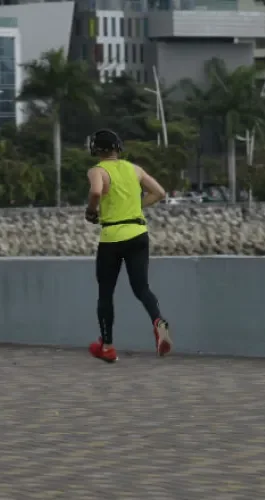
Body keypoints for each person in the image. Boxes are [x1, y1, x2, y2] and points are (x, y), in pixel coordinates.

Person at [84, 129, 172, 363]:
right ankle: (158, 321)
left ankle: (108, 346)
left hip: (112, 237)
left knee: (106, 293)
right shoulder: (135, 169)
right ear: (117, 148)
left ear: (96, 149)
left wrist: (91, 211)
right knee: (141, 287)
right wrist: (135, 207)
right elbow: (160, 193)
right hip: (139, 234)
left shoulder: (97, 171)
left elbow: (95, 191)